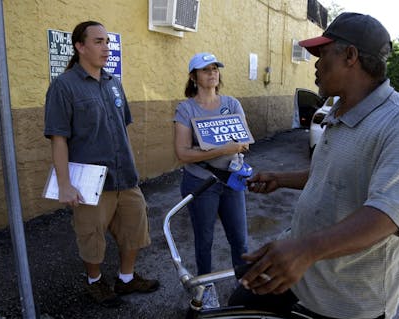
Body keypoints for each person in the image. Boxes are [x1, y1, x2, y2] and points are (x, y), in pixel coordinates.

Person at [228, 12, 399, 319]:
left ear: (350, 56)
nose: (315, 64)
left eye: (322, 54)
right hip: (303, 273)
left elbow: (386, 216)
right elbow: (331, 174)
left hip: (345, 302)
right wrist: (281, 178)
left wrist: (305, 250)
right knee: (239, 305)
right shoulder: (338, 111)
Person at [44, 21, 159, 308]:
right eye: (98, 41)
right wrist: (65, 185)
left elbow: (121, 127)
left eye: (107, 41)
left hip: (125, 177)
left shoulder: (114, 83)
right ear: (80, 47)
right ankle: (95, 282)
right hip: (91, 183)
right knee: (92, 237)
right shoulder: (64, 86)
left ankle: (126, 277)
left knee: (134, 229)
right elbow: (58, 139)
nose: (106, 47)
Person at [173, 52, 251, 306]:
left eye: (215, 68)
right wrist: (222, 150)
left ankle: (245, 288)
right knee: (204, 240)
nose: (212, 73)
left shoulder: (232, 104)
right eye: (205, 69)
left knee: (239, 239)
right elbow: (182, 153)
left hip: (231, 182)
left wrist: (236, 149)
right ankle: (206, 290)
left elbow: (244, 142)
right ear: (194, 76)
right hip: (201, 183)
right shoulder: (186, 108)